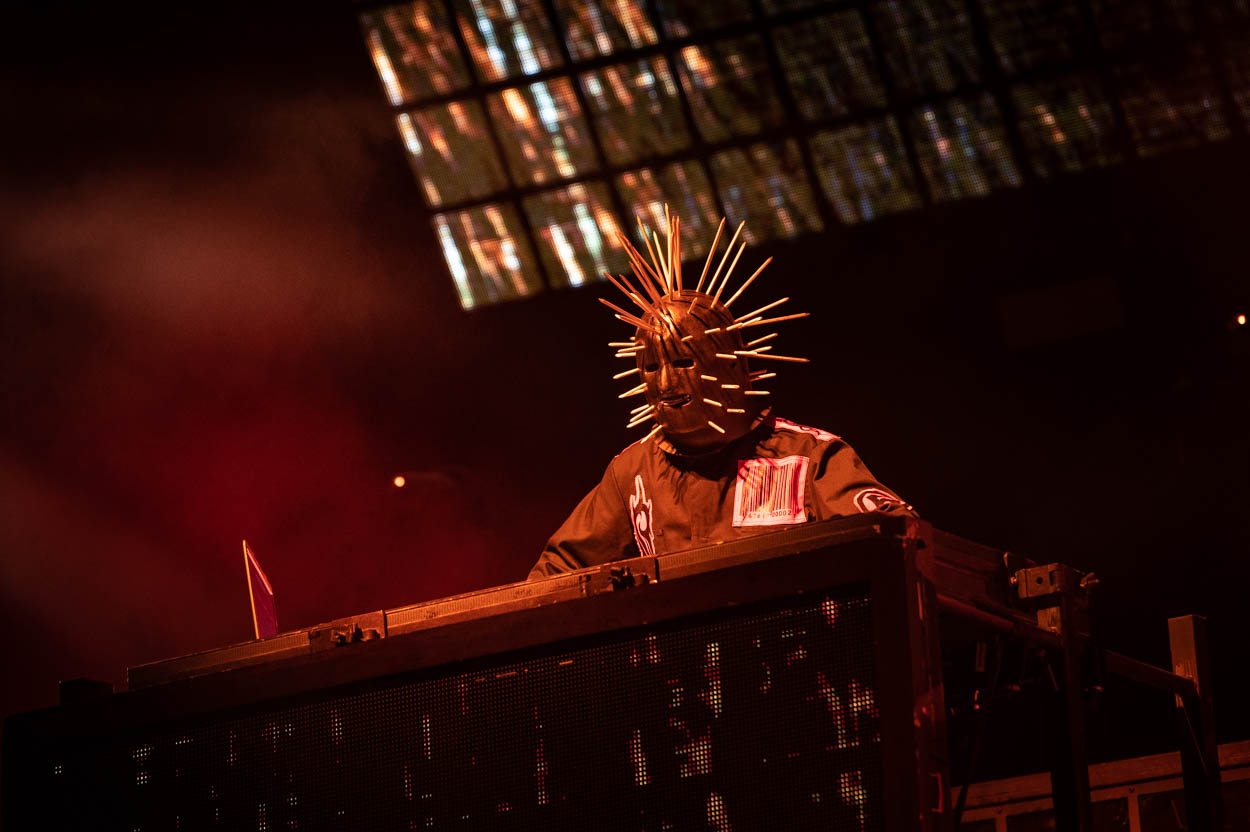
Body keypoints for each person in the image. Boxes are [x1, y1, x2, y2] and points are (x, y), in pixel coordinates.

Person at [527, 215, 911, 580]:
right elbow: (552, 580)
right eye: (650, 366)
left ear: (734, 365)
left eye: (683, 361)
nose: (666, 382)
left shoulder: (809, 458)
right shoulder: (633, 474)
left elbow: (901, 541)